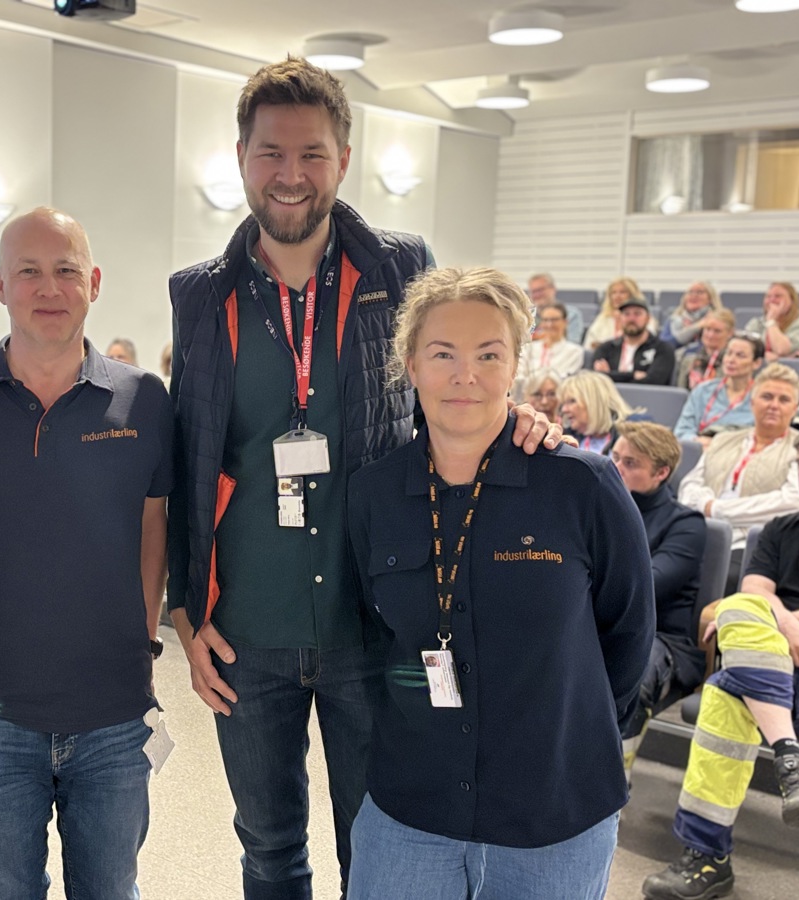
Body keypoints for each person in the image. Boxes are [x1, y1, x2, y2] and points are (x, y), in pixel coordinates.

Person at [166, 58, 560, 900]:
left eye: (312, 153)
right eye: (272, 153)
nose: (291, 174)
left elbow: (448, 375)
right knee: (268, 847)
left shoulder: (400, 266)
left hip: (376, 622)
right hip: (249, 629)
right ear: (241, 158)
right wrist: (184, 611)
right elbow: (188, 455)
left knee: (377, 843)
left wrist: (513, 417)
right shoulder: (199, 295)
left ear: (343, 159)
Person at [347, 266, 653, 900]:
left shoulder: (582, 485)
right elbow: (372, 635)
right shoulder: (373, 492)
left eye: (489, 354)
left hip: (554, 815)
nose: (466, 375)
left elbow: (628, 634)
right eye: (443, 354)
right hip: (412, 810)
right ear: (410, 364)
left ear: (515, 365)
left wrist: (568, 737)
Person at [0, 208, 172, 899]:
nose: (48, 288)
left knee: (111, 890)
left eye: (66, 270)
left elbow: (153, 528)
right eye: (28, 271)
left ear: (95, 283)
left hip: (114, 714)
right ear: (0, 284)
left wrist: (143, 642)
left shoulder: (144, 400)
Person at [642, 511, 799, 900]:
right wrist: (784, 624)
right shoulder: (781, 529)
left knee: (728, 679)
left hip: (765, 654)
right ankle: (708, 856)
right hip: (772, 657)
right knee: (736, 617)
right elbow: (756, 591)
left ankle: (707, 856)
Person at [609, 423, 707, 779]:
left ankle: (613, 781)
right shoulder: (598, 508)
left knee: (630, 670)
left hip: (660, 638)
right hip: (597, 625)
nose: (616, 467)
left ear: (661, 472)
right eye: (614, 457)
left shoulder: (687, 524)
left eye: (630, 463)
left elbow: (646, 586)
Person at [679, 363, 799, 594]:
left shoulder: (797, 449)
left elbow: (792, 502)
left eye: (784, 400)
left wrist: (718, 510)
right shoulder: (723, 439)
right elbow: (690, 485)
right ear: (752, 402)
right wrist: (705, 504)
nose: (774, 405)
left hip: (752, 543)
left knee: (722, 579)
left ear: (795, 408)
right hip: (700, 529)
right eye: (767, 397)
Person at [673, 333, 764, 445]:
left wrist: (718, 445)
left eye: (740, 356)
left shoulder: (762, 397)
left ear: (756, 363)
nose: (731, 360)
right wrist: (697, 442)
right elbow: (682, 431)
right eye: (728, 353)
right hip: (701, 448)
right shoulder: (703, 390)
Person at [591, 294, 674, 384]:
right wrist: (633, 375)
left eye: (637, 314)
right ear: (620, 319)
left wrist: (610, 375)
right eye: (626, 314)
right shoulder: (606, 348)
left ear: (648, 319)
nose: (631, 319)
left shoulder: (663, 348)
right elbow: (595, 379)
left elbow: (654, 381)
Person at [560, 369, 642, 455]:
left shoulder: (633, 433)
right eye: (564, 403)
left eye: (572, 401)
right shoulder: (567, 439)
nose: (564, 410)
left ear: (594, 402)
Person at [513, 302, 583, 398]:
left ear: (565, 323)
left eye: (554, 320)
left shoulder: (574, 351)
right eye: (545, 320)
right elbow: (519, 377)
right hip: (526, 398)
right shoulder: (528, 348)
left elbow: (563, 380)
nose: (549, 325)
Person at [584, 277, 651, 351]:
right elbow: (589, 344)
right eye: (613, 293)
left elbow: (647, 344)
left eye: (622, 292)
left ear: (632, 295)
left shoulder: (644, 318)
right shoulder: (602, 318)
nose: (617, 296)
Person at [676, 309, 736, 390]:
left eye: (717, 331)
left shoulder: (733, 364)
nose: (710, 335)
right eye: (707, 329)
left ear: (730, 333)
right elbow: (680, 393)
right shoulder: (688, 361)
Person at [744, 282, 799, 362]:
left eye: (778, 296)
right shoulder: (756, 323)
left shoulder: (797, 324)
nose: (772, 300)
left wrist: (771, 321)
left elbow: (781, 349)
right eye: (768, 296)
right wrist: (763, 355)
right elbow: (746, 350)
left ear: (792, 300)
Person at [662, 281, 721, 349]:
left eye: (700, 292)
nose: (694, 295)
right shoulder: (673, 320)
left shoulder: (716, 321)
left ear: (710, 298)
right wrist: (697, 326)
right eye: (690, 292)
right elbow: (663, 347)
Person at [527, 272, 583, 344]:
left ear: (553, 289)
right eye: (533, 292)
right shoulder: (528, 316)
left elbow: (572, 343)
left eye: (540, 290)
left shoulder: (571, 314)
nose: (537, 295)